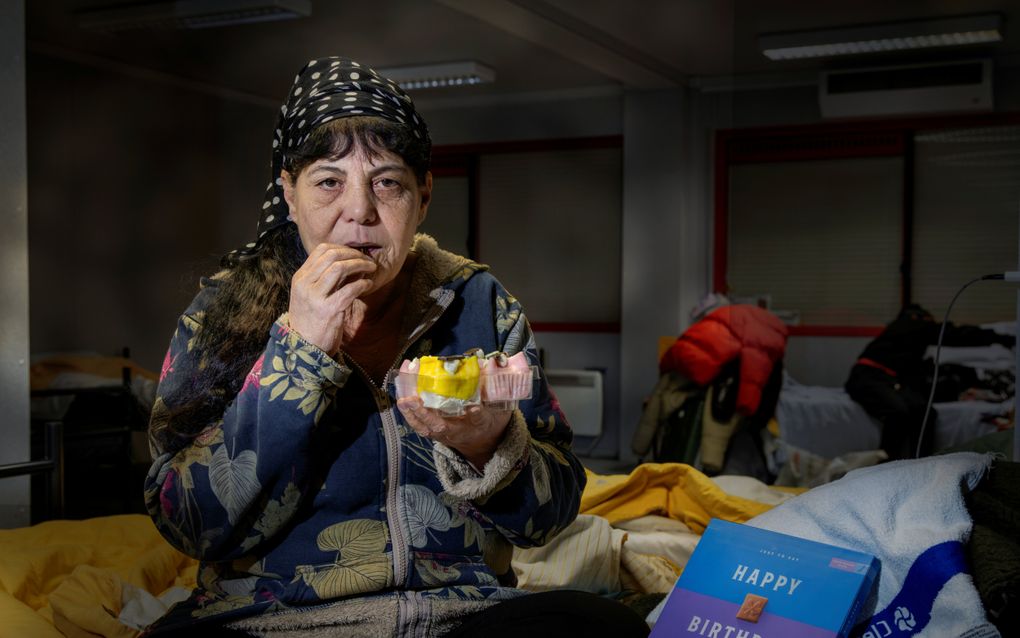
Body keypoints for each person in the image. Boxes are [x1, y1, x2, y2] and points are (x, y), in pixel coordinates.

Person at [141, 57, 650, 637]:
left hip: (458, 616)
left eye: (388, 183)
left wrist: (490, 446)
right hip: (269, 622)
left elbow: (551, 515)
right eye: (329, 180)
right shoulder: (221, 313)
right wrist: (299, 355)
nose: (359, 210)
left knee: (601, 626)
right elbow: (185, 523)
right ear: (289, 193)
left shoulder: (480, 303)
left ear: (424, 197)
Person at [845, 304, 1014, 460]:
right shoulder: (908, 325)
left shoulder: (904, 340)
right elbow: (954, 334)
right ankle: (885, 465)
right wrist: (999, 337)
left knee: (924, 412)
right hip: (869, 376)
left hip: (888, 379)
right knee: (898, 411)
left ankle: (921, 462)